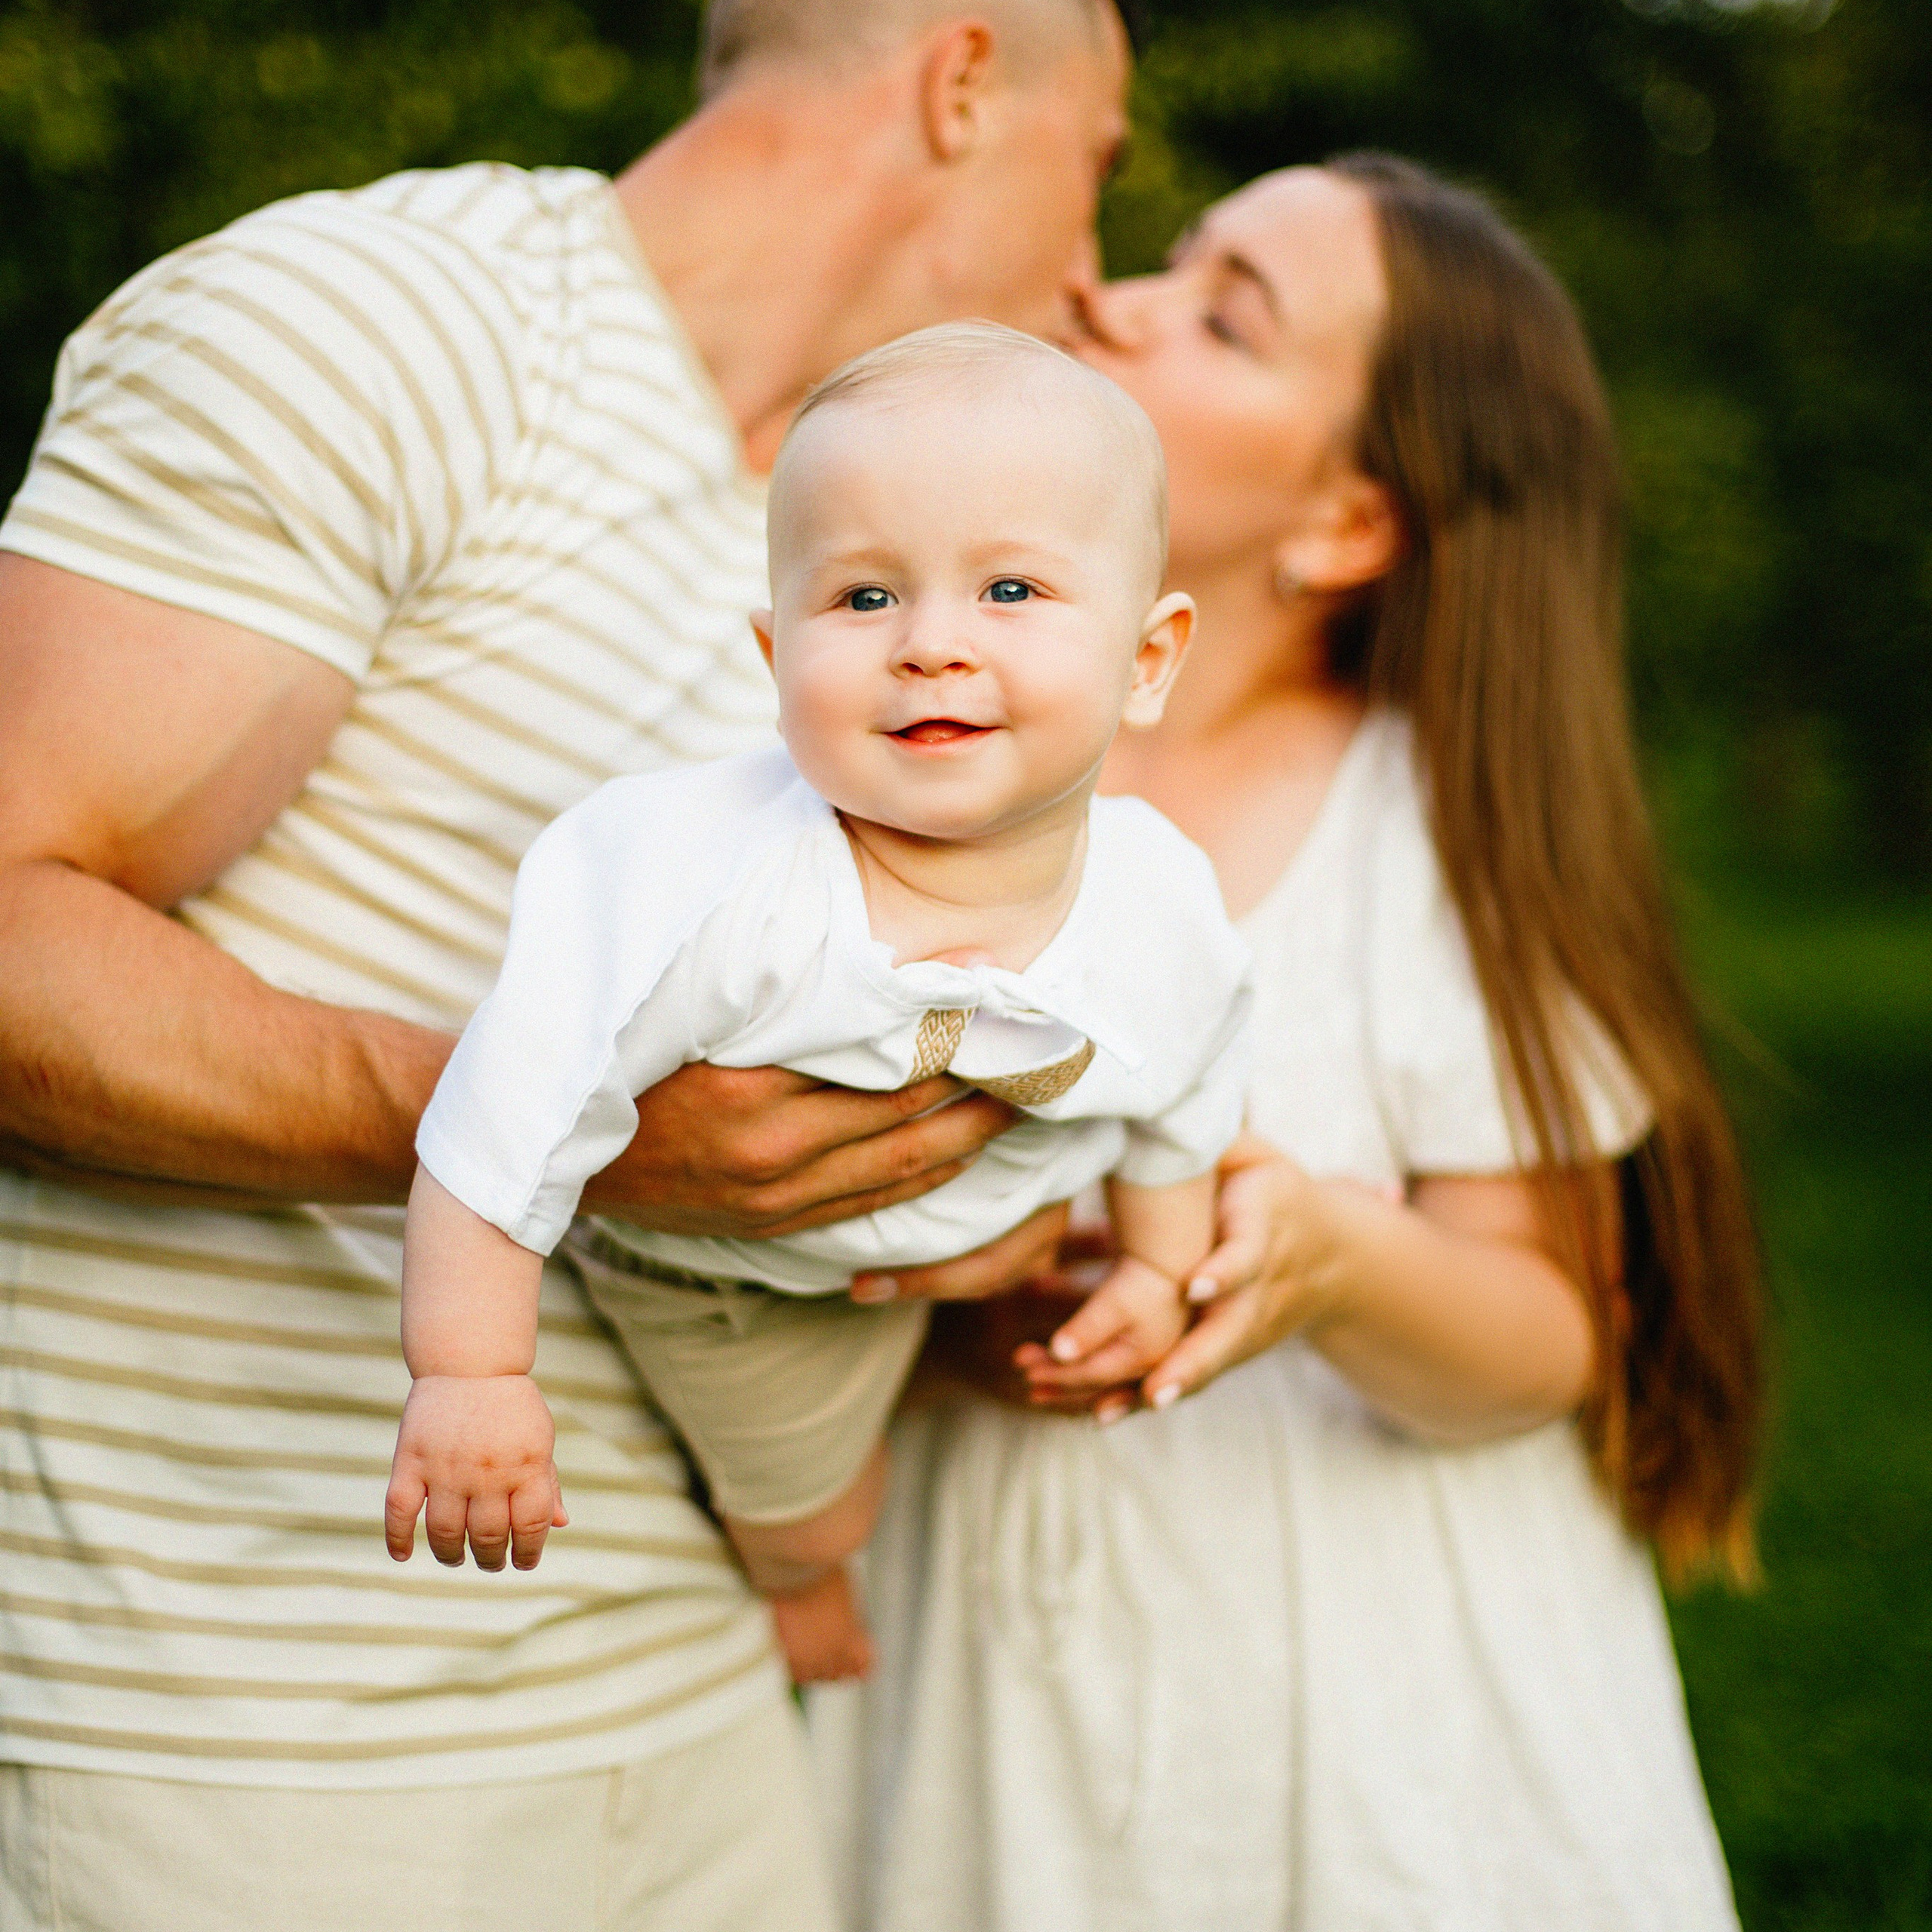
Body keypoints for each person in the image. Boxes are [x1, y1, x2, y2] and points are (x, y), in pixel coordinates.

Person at [0, 5, 1130, 1927]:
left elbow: (741, 1144)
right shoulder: (386, 319)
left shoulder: (870, 571)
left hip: (695, 1705)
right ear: (961, 83)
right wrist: (572, 1130)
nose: (1095, 279)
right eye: (1092, 172)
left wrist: (942, 1229)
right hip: (249, 1736)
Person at [810, 155, 1762, 1930]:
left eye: (1223, 314)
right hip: (997, 1694)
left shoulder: (1431, 835)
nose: (1112, 298)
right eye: (1170, 257)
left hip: (1378, 1732)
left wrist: (1325, 1258)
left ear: (1341, 521)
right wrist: (943, 1313)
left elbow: (1547, 1336)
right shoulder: (888, 756)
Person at [387, 324, 1251, 1685]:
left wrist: (1155, 1264)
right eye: (862, 598)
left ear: (1148, 659)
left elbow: (1194, 1080)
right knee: (826, 1514)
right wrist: (472, 1375)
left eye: (1010, 588)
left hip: (961, 1255)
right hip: (738, 1287)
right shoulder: (700, 884)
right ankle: (796, 1582)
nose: (931, 646)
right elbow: (508, 1113)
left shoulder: (1165, 903)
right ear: (774, 650)